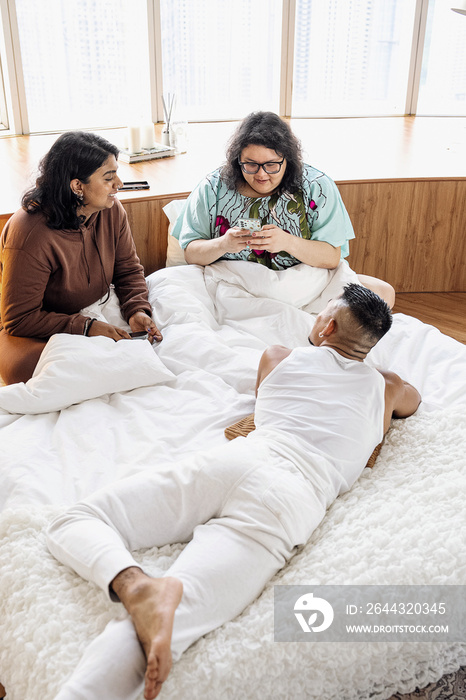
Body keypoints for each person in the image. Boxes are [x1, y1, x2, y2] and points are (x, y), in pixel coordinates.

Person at [46, 284, 420, 700]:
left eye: (320, 314)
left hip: (235, 462)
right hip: (289, 501)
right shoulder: (386, 387)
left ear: (328, 325)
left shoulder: (278, 356)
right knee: (175, 620)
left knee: (75, 519)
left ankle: (132, 584)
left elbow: (266, 398)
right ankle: (146, 599)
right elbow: (413, 401)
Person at [171, 111, 395, 306]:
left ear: (287, 160)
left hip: (303, 284)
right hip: (233, 285)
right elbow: (191, 253)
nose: (261, 174)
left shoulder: (317, 186)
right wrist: (224, 244)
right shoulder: (212, 187)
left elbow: (331, 257)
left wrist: (288, 242)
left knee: (384, 293)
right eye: (250, 164)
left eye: (271, 164)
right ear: (236, 160)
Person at [0, 131, 162, 386]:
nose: (118, 184)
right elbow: (18, 319)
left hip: (92, 309)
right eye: (109, 177)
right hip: (37, 328)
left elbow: (128, 269)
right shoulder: (30, 233)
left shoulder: (110, 209)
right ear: (77, 186)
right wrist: (85, 327)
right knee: (44, 373)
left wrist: (136, 309)